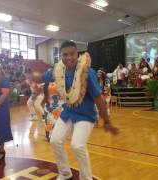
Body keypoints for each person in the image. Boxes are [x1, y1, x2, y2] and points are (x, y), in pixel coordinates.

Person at [35, 41, 119, 180]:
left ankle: (86, 178)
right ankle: (65, 173)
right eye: (65, 55)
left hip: (85, 115)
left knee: (77, 145)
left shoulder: (88, 73)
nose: (69, 57)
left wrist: (107, 121)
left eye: (72, 54)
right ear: (60, 56)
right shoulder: (58, 70)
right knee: (55, 140)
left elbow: (98, 98)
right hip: (68, 112)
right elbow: (43, 77)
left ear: (78, 54)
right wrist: (29, 77)